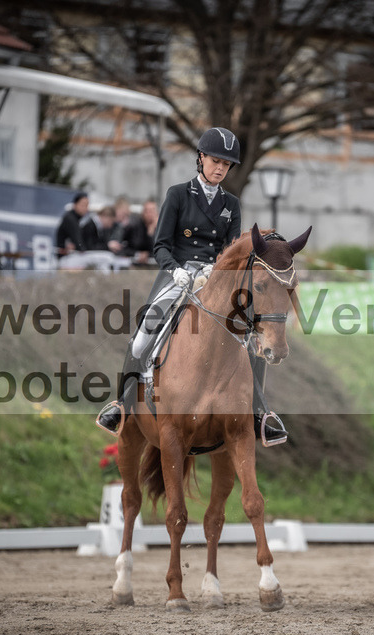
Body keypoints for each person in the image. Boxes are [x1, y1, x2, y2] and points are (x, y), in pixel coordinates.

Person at [96, 126, 288, 446]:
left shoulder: (231, 204)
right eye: (215, 161)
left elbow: (230, 250)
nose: (220, 169)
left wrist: (217, 270)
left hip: (215, 281)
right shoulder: (178, 195)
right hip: (177, 276)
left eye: (226, 164)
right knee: (143, 333)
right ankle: (122, 404)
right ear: (201, 158)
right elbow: (160, 246)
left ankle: (260, 414)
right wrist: (176, 270)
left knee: (250, 338)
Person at [56, 192, 90, 260]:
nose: (85, 208)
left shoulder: (77, 219)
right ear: (75, 204)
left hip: (71, 256)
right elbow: (78, 242)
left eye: (87, 205)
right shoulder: (70, 219)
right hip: (65, 258)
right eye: (83, 205)